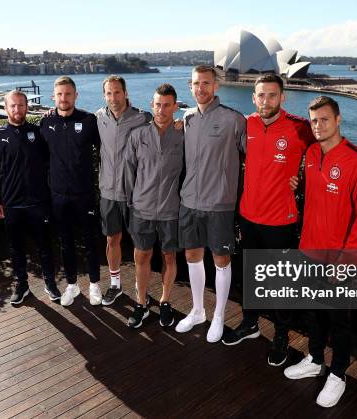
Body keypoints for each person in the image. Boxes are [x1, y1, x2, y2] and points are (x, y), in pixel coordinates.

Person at [283, 96, 357, 408]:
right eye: (314, 121)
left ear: (338, 120)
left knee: (339, 321)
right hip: (309, 251)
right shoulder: (310, 153)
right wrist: (299, 184)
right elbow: (317, 194)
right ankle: (316, 358)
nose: (318, 126)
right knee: (313, 313)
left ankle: (338, 373)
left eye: (324, 119)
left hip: (339, 260)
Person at [221, 74, 315, 366]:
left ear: (282, 98)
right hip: (248, 216)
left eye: (272, 95)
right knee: (250, 276)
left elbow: (326, 151)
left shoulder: (299, 128)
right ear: (253, 98)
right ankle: (250, 324)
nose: (266, 101)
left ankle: (282, 336)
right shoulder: (245, 123)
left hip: (281, 221)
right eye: (261, 95)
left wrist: (304, 178)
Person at [174, 65, 246, 343]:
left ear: (216, 86)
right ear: (190, 87)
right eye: (195, 84)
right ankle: (197, 310)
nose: (200, 88)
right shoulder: (187, 118)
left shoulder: (234, 119)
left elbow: (256, 156)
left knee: (221, 260)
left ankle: (218, 316)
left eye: (206, 83)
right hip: (189, 202)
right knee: (192, 257)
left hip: (220, 204)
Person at [0, 90, 56, 305]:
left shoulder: (38, 132)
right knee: (17, 248)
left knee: (44, 246)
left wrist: (52, 116)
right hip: (11, 204)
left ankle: (50, 283)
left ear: (27, 107)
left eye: (21, 105)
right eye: (13, 106)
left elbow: (53, 155)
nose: (17, 109)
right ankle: (22, 285)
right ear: (6, 108)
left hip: (38, 203)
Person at [124, 83, 183, 328]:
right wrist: (131, 202)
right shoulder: (138, 135)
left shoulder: (183, 134)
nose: (161, 109)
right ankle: (141, 303)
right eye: (158, 104)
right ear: (152, 105)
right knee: (142, 256)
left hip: (171, 210)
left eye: (167, 105)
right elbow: (129, 172)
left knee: (169, 256)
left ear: (175, 107)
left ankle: (166, 301)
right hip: (142, 209)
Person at [40, 76, 102, 307]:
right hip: (58, 195)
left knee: (90, 241)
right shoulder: (45, 123)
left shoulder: (88, 120)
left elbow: (106, 151)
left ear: (76, 95)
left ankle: (95, 284)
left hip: (84, 193)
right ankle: (72, 285)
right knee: (65, 242)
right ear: (53, 97)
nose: (63, 98)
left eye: (68, 94)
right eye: (59, 94)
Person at [95, 75, 153, 305]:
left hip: (135, 194)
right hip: (108, 193)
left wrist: (178, 123)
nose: (113, 97)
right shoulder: (98, 118)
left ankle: (141, 286)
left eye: (117, 92)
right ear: (104, 95)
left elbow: (164, 125)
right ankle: (116, 285)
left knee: (141, 245)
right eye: (109, 93)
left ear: (126, 92)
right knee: (112, 240)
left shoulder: (142, 118)